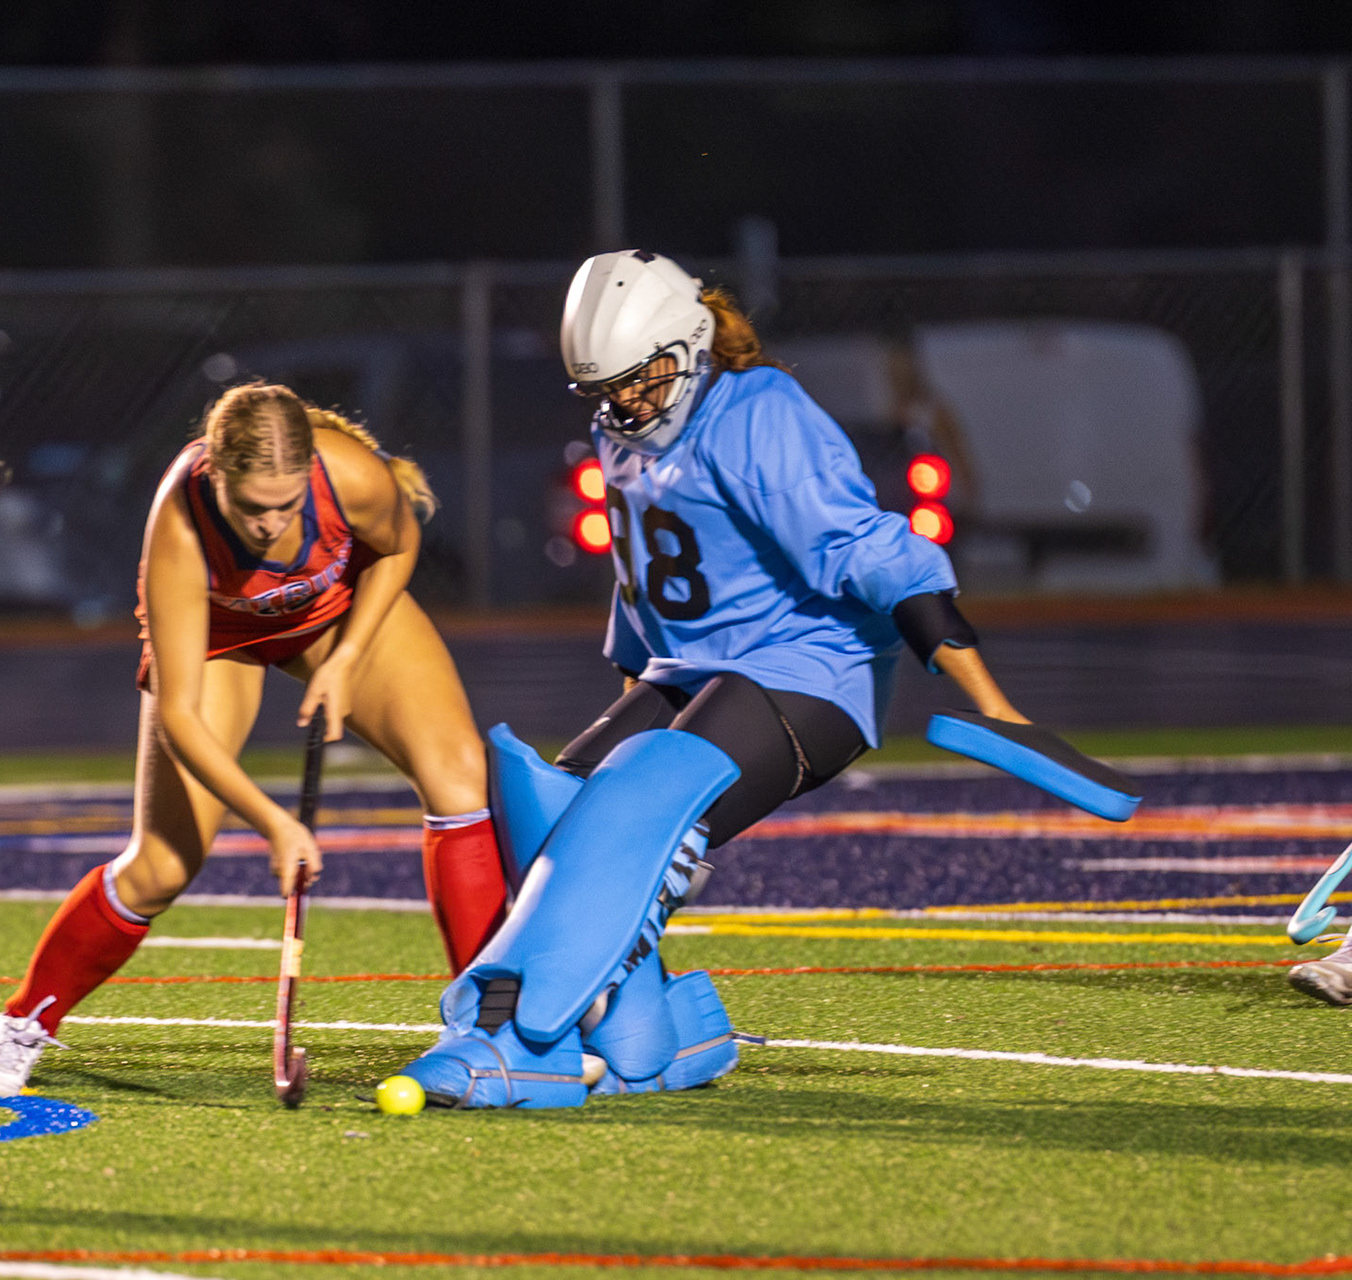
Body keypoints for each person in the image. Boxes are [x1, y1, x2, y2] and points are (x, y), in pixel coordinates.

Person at [394, 249, 1128, 1108]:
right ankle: (650, 1037)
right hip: (690, 669)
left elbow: (863, 546)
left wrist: (989, 698)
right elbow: (641, 586)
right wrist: (630, 696)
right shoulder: (617, 433)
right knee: (547, 802)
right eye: (609, 388)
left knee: (635, 804)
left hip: (807, 668)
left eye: (640, 379)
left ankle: (521, 1038)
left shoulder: (760, 412)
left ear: (688, 346)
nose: (628, 401)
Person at [0, 383, 508, 1097]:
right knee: (162, 865)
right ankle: (22, 1027)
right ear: (215, 475)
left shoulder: (353, 476)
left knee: (460, 778)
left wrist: (346, 658)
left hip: (330, 613)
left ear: (309, 474)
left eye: (287, 506)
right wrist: (274, 824)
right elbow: (181, 717)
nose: (271, 526)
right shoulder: (180, 525)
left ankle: (486, 1033)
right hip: (221, 638)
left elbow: (398, 548)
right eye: (251, 508)